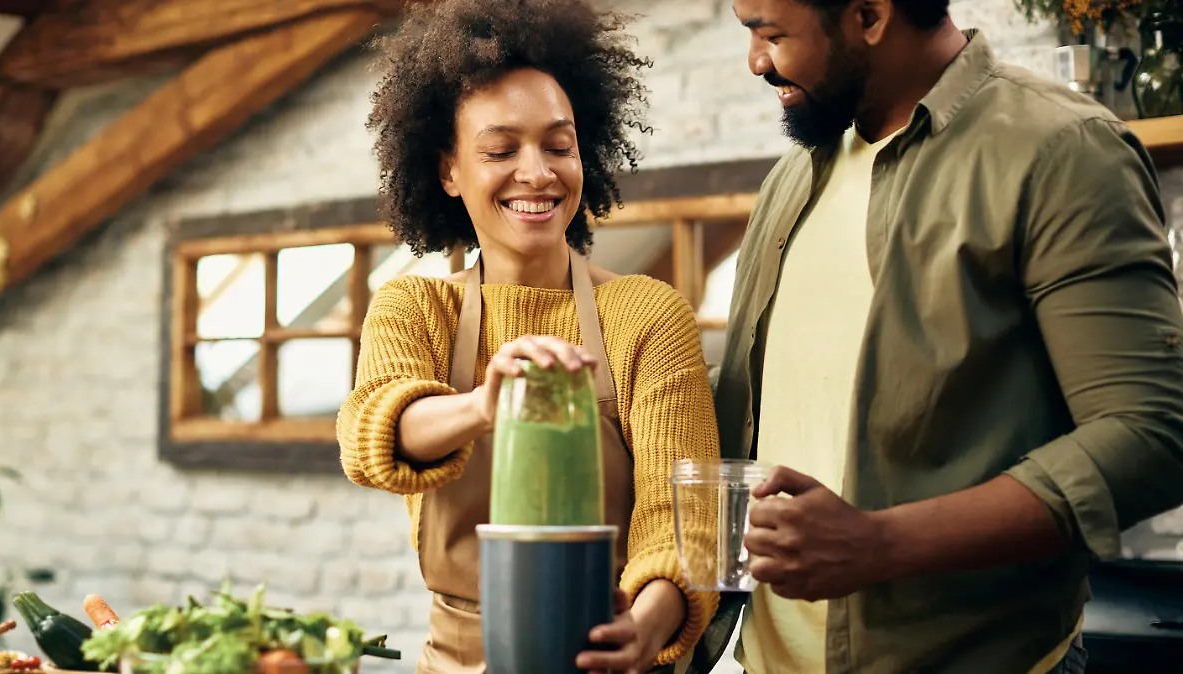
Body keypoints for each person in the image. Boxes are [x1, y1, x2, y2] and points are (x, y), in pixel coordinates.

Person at [703, 1, 1183, 673]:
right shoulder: (794, 176)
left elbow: (1151, 432)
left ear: (869, 15)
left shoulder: (1061, 150)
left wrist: (879, 544)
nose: (756, 62)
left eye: (771, 34)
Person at [337, 0, 720, 672]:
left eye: (558, 145)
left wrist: (645, 626)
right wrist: (484, 406)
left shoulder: (645, 314)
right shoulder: (416, 305)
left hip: (613, 654)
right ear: (449, 170)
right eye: (500, 149)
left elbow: (683, 519)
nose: (538, 172)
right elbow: (373, 430)